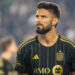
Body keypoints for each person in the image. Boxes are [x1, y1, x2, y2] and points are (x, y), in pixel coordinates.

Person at [15, 1, 75, 75]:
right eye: (37, 16)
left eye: (43, 17)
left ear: (54, 21)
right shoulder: (25, 48)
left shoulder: (70, 47)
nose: (38, 20)